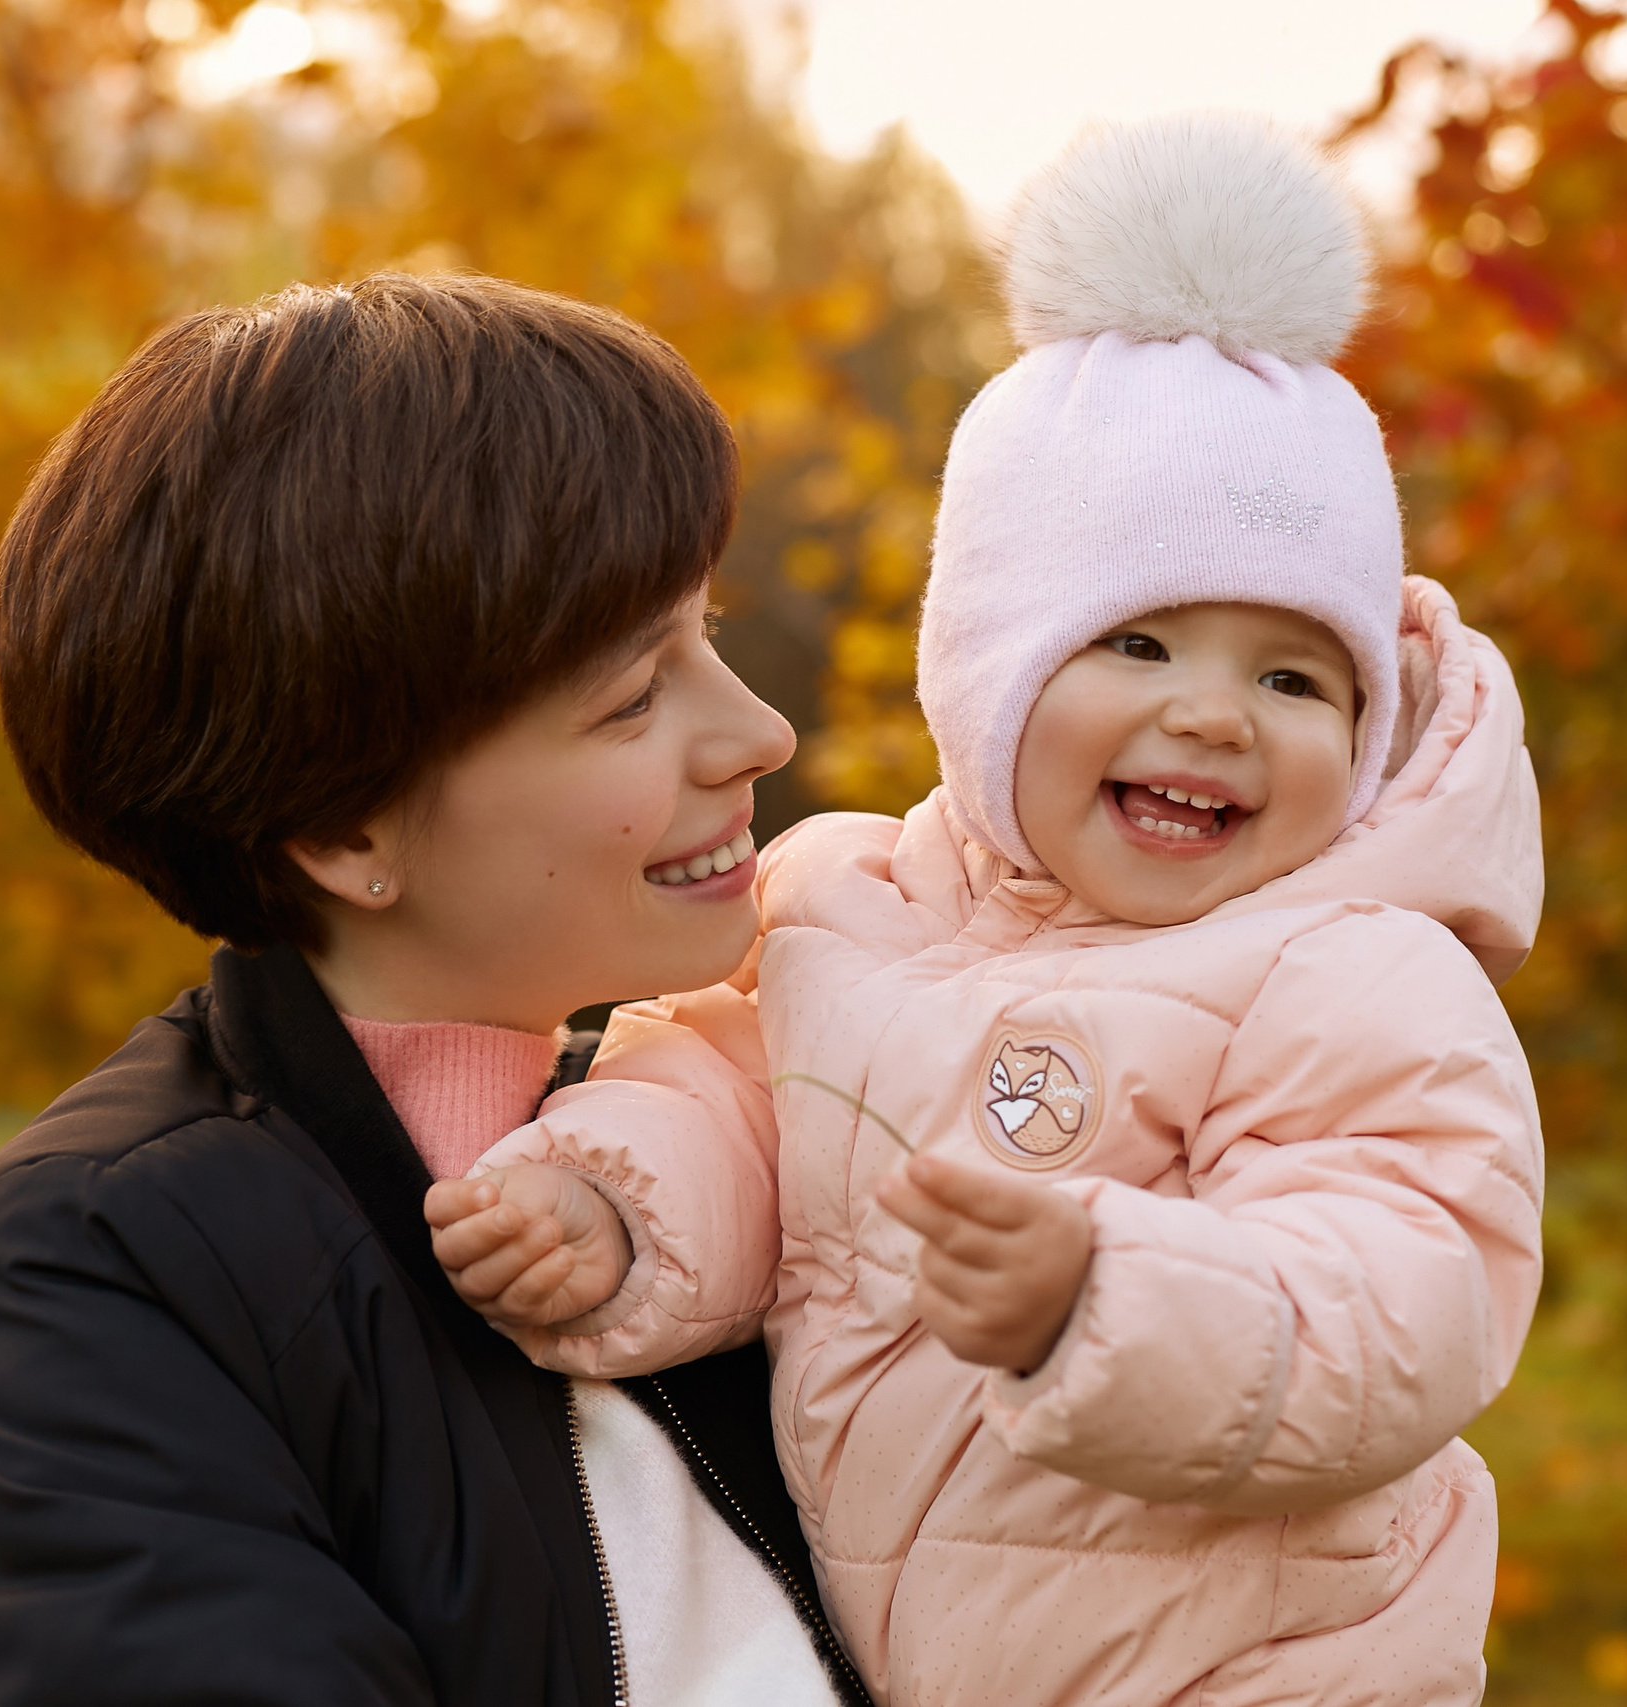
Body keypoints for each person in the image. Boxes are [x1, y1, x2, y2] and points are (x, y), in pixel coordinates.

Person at [425, 115, 1547, 1705]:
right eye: (1141, 647)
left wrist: (1109, 1300)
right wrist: (613, 1204)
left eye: (1292, 676)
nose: (1216, 716)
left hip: (1271, 1671)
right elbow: (739, 1117)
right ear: (991, 676)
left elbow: (1401, 1294)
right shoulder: (848, 906)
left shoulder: (1350, 976)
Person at [0, 273, 869, 1707]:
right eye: (633, 695)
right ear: (345, 832)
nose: (761, 731)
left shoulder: (734, 1144)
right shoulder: (95, 1287)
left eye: (711, 632)